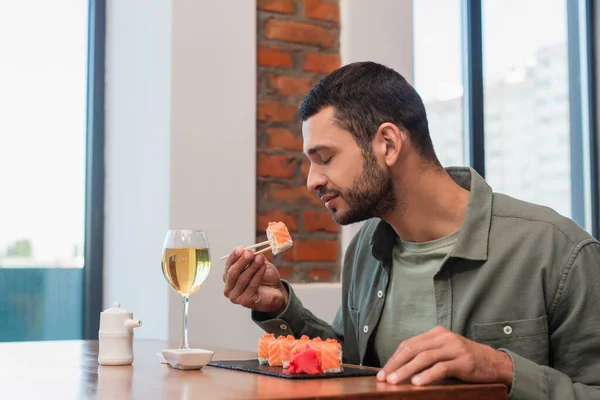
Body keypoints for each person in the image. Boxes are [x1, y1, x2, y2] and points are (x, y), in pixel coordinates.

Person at [222, 61, 600, 399]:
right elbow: (350, 367)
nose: (312, 181)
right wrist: (282, 307)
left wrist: (501, 368)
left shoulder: (557, 250)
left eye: (325, 158)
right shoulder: (366, 249)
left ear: (388, 143)